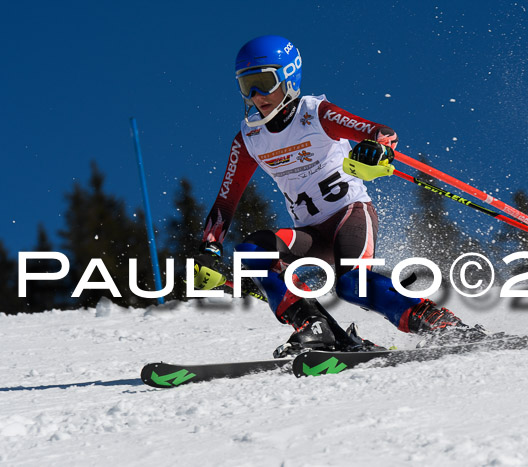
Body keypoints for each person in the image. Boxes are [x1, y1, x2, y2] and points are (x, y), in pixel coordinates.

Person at [193, 35, 488, 357]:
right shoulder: (249, 139)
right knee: (251, 250)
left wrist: (376, 148)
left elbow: (382, 132)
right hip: (311, 235)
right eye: (246, 85)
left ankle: (439, 323)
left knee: (351, 285)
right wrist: (209, 247)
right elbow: (225, 201)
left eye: (264, 82)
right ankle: (315, 328)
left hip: (349, 215)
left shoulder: (316, 113)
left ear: (289, 76)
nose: (256, 95)